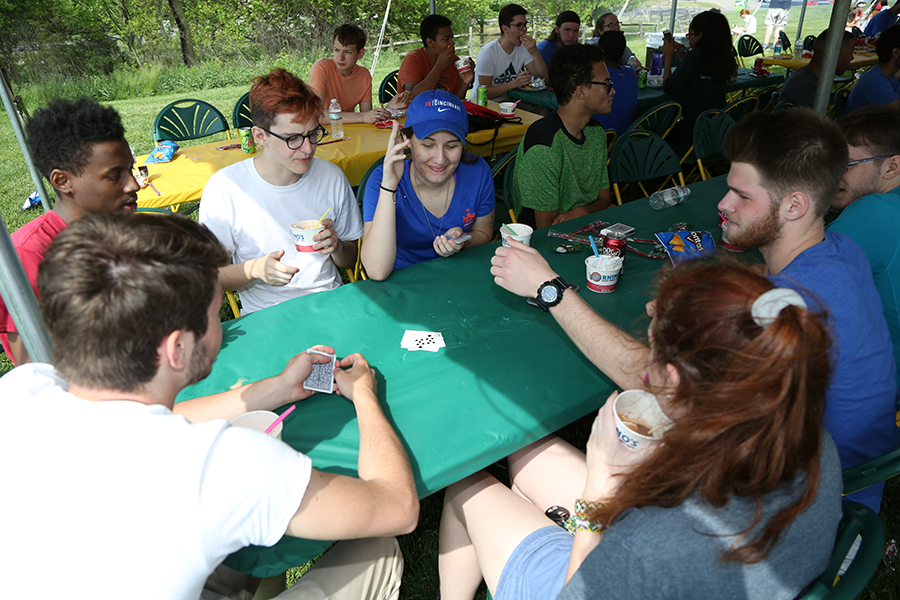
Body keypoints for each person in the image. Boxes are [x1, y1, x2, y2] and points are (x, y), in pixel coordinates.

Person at [1, 211, 419, 599]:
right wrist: (364, 395)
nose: (221, 324)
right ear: (178, 348)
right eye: (216, 314)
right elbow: (397, 508)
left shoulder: (24, 387)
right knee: (379, 552)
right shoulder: (224, 464)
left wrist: (278, 388)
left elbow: (145, 421)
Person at [440, 260, 842, 600]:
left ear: (674, 379)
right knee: (527, 451)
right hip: (728, 569)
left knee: (465, 482)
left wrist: (600, 488)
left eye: (651, 356)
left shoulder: (650, 543)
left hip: (603, 575)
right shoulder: (812, 441)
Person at [718, 109, 899, 511]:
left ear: (795, 205)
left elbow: (663, 382)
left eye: (743, 195)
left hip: (813, 507)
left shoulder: (785, 311)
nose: (724, 204)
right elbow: (772, 273)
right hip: (862, 476)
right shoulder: (840, 251)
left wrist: (555, 292)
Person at [200, 68, 363, 315]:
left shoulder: (331, 176)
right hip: (266, 315)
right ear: (260, 136)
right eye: (293, 138)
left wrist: (337, 247)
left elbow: (349, 259)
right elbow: (209, 276)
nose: (308, 148)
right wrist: (254, 269)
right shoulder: (226, 188)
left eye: (312, 133)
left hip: (330, 304)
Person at [0, 97, 139, 367]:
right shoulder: (27, 259)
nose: (133, 185)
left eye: (131, 170)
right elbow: (37, 367)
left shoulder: (121, 231)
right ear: (63, 181)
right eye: (114, 176)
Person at [361, 91, 495, 280]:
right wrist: (390, 185)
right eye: (428, 145)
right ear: (406, 141)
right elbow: (376, 270)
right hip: (401, 282)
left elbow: (483, 233)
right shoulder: (382, 179)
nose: (440, 159)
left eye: (451, 146)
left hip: (458, 276)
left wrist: (463, 240)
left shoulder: (478, 172)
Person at [829, 105, 900, 386]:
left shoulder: (875, 211)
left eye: (846, 164)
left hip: (878, 385)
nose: (831, 175)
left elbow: (791, 279)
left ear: (892, 167)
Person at [512, 43, 613, 230]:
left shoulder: (596, 132)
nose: (612, 91)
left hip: (586, 227)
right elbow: (547, 228)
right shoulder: (544, 143)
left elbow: (604, 200)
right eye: (607, 84)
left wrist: (583, 212)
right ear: (581, 91)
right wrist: (592, 212)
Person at [309, 24, 404, 124]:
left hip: (350, 129)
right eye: (336, 50)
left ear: (360, 54)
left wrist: (389, 108)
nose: (340, 57)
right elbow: (317, 115)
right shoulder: (321, 67)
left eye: (347, 52)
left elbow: (368, 115)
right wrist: (362, 117)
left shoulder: (364, 75)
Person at [662, 10, 738, 137]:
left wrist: (668, 56)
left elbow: (669, 87)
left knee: (659, 131)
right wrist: (682, 57)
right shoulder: (725, 57)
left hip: (695, 129)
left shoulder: (695, 56)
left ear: (699, 36)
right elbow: (696, 74)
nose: (689, 37)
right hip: (718, 127)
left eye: (690, 34)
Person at [469, 3, 549, 103]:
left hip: (509, 103)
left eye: (525, 25)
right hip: (483, 105)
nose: (524, 29)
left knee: (543, 113)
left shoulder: (523, 48)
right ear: (505, 28)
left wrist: (535, 52)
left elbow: (543, 78)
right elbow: (485, 93)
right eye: (519, 26)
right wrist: (514, 84)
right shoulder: (489, 52)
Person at [399, 14, 474, 101]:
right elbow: (412, 96)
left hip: (444, 113)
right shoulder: (413, 59)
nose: (452, 42)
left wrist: (464, 83)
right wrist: (439, 67)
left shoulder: (455, 61)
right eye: (446, 39)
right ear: (430, 42)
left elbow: (455, 103)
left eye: (452, 38)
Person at [779, 29, 855, 108]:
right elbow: (811, 120)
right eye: (850, 53)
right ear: (833, 55)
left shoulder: (809, 78)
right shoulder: (806, 88)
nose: (852, 58)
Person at [843, 25, 900, 114]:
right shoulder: (876, 81)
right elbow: (896, 112)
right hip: (859, 127)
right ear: (896, 52)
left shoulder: (888, 77)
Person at [595, 30, 638, 135]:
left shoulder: (596, 75)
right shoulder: (632, 74)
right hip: (623, 142)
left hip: (598, 140)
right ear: (622, 55)